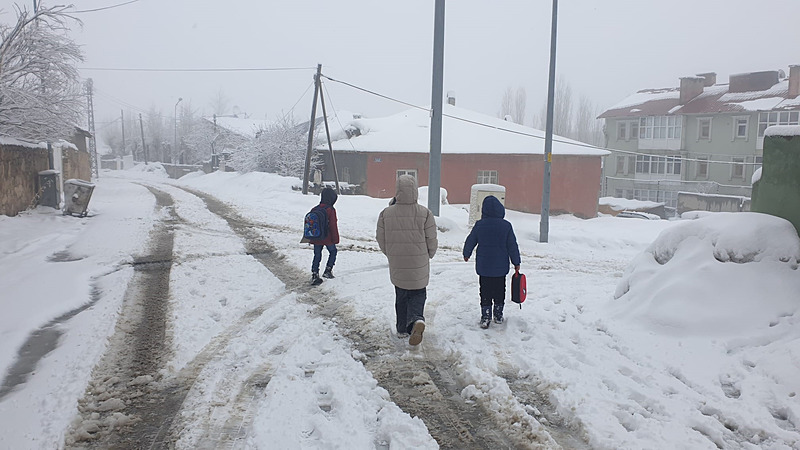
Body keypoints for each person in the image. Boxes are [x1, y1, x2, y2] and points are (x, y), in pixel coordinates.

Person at [376, 175, 438, 346]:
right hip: (419, 262)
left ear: (397, 190)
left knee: (401, 294)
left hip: (397, 262)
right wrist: (429, 254)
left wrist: (390, 253)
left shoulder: (386, 213)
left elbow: (380, 238)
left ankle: (402, 328)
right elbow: (431, 238)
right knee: (418, 293)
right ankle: (417, 319)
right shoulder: (425, 213)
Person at [463, 195, 521, 329]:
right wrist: (516, 262)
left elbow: (471, 240)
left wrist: (467, 254)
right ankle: (498, 314)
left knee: (485, 290)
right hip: (500, 268)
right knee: (500, 290)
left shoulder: (480, 225)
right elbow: (512, 245)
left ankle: (486, 315)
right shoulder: (506, 226)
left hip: (484, 266)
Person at [310, 187, 339, 285]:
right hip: (327, 237)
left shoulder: (315, 209)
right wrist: (335, 239)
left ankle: (315, 273)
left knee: (317, 255)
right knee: (333, 251)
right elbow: (333, 225)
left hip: (317, 237)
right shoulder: (330, 210)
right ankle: (328, 270)